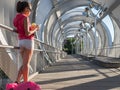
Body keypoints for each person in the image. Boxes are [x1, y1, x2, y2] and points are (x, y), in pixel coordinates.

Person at [13, 1, 39, 83]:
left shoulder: (16, 17)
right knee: (26, 64)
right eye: (30, 9)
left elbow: (20, 30)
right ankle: (25, 83)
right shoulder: (25, 18)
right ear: (25, 8)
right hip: (28, 42)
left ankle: (17, 81)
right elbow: (27, 33)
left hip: (21, 42)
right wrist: (35, 29)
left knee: (24, 63)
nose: (30, 11)